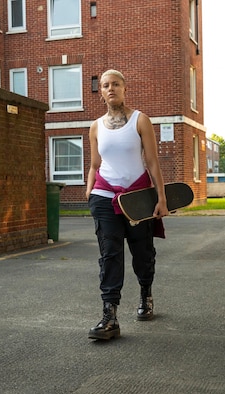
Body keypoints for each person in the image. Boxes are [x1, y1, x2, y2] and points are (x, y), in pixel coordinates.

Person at [85, 69, 168, 340]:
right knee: (110, 255)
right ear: (101, 93)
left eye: (116, 84)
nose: (111, 89)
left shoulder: (140, 120)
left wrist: (161, 197)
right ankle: (110, 315)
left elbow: (152, 161)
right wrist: (89, 192)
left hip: (138, 199)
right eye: (106, 85)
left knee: (142, 253)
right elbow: (95, 164)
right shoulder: (96, 126)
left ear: (124, 88)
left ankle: (146, 293)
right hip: (104, 196)